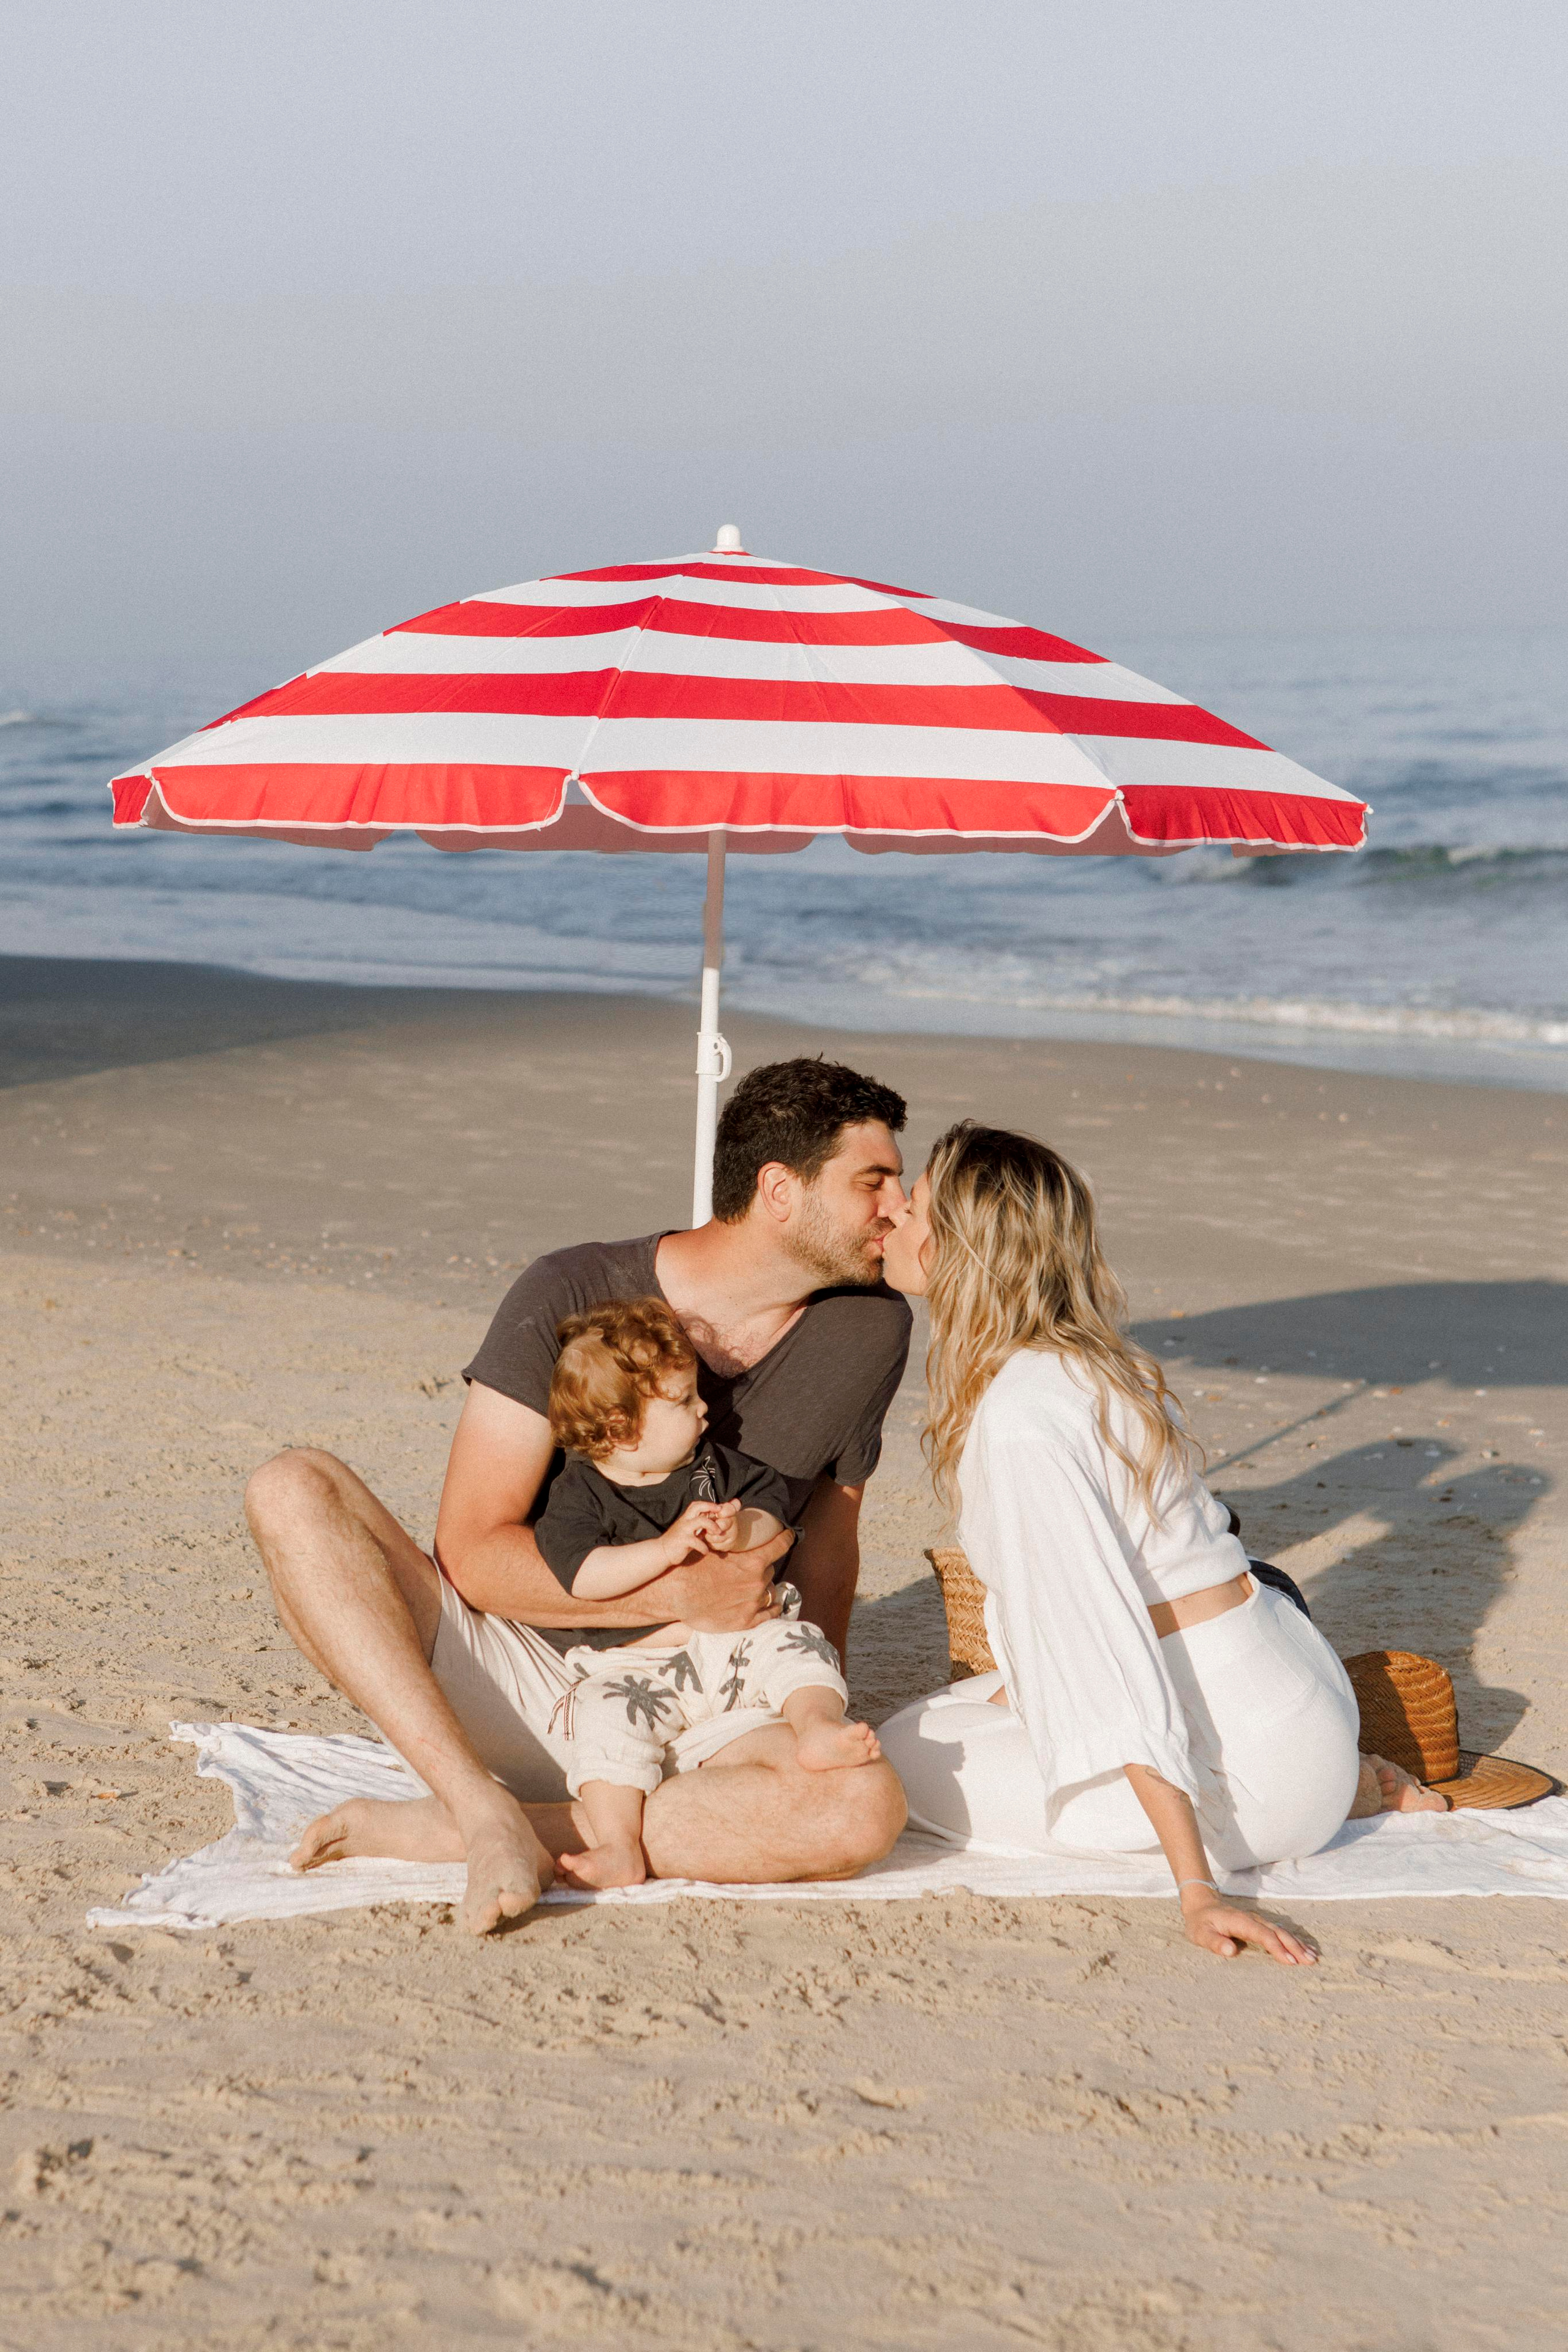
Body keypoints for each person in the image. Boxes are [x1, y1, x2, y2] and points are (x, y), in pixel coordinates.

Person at [242, 1057, 911, 1934]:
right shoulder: (570, 1289)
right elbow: (475, 1554)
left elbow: (831, 1541)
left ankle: (484, 1830)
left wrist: (811, 1708)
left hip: (719, 1693)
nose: (897, 1207)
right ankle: (480, 1812)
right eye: (875, 1181)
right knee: (291, 1487)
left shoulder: (871, 1327)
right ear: (780, 1191)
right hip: (532, 1674)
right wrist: (673, 1590)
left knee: (860, 1810)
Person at [876, 1122, 1373, 1967]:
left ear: (959, 1248)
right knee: (946, 1713)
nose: (890, 1212)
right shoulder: (1103, 1366)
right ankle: (1355, 1776)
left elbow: (1105, 1655)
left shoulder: (1020, 1419)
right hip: (1292, 1695)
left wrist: (1196, 1891)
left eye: (914, 1203)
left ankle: (1290, 1810)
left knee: (896, 1758)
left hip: (1257, 1783)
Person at [537, 1297, 881, 1889]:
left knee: (794, 1642)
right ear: (621, 1429)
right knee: (602, 1718)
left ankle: (818, 1725)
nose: (704, 1410)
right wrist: (667, 1551)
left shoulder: (710, 1467)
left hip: (733, 1648)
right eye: (682, 1400)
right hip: (638, 1664)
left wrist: (740, 1527)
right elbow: (583, 1575)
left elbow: (772, 1509)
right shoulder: (579, 1494)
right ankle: (619, 1845)